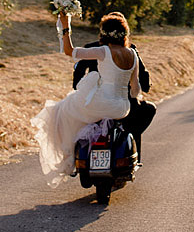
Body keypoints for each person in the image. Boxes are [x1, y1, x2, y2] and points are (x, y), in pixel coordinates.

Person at [30, 11, 143, 187]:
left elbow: (70, 51)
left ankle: (72, 154)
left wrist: (65, 25)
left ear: (103, 33)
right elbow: (135, 89)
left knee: (61, 109)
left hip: (102, 104)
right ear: (124, 34)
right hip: (122, 108)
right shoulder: (132, 54)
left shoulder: (104, 51)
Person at [73, 37, 156, 162]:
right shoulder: (129, 49)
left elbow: (78, 70)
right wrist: (145, 86)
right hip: (122, 103)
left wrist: (79, 86)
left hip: (95, 103)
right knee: (148, 110)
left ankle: (76, 158)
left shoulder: (92, 47)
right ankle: (131, 146)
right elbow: (143, 74)